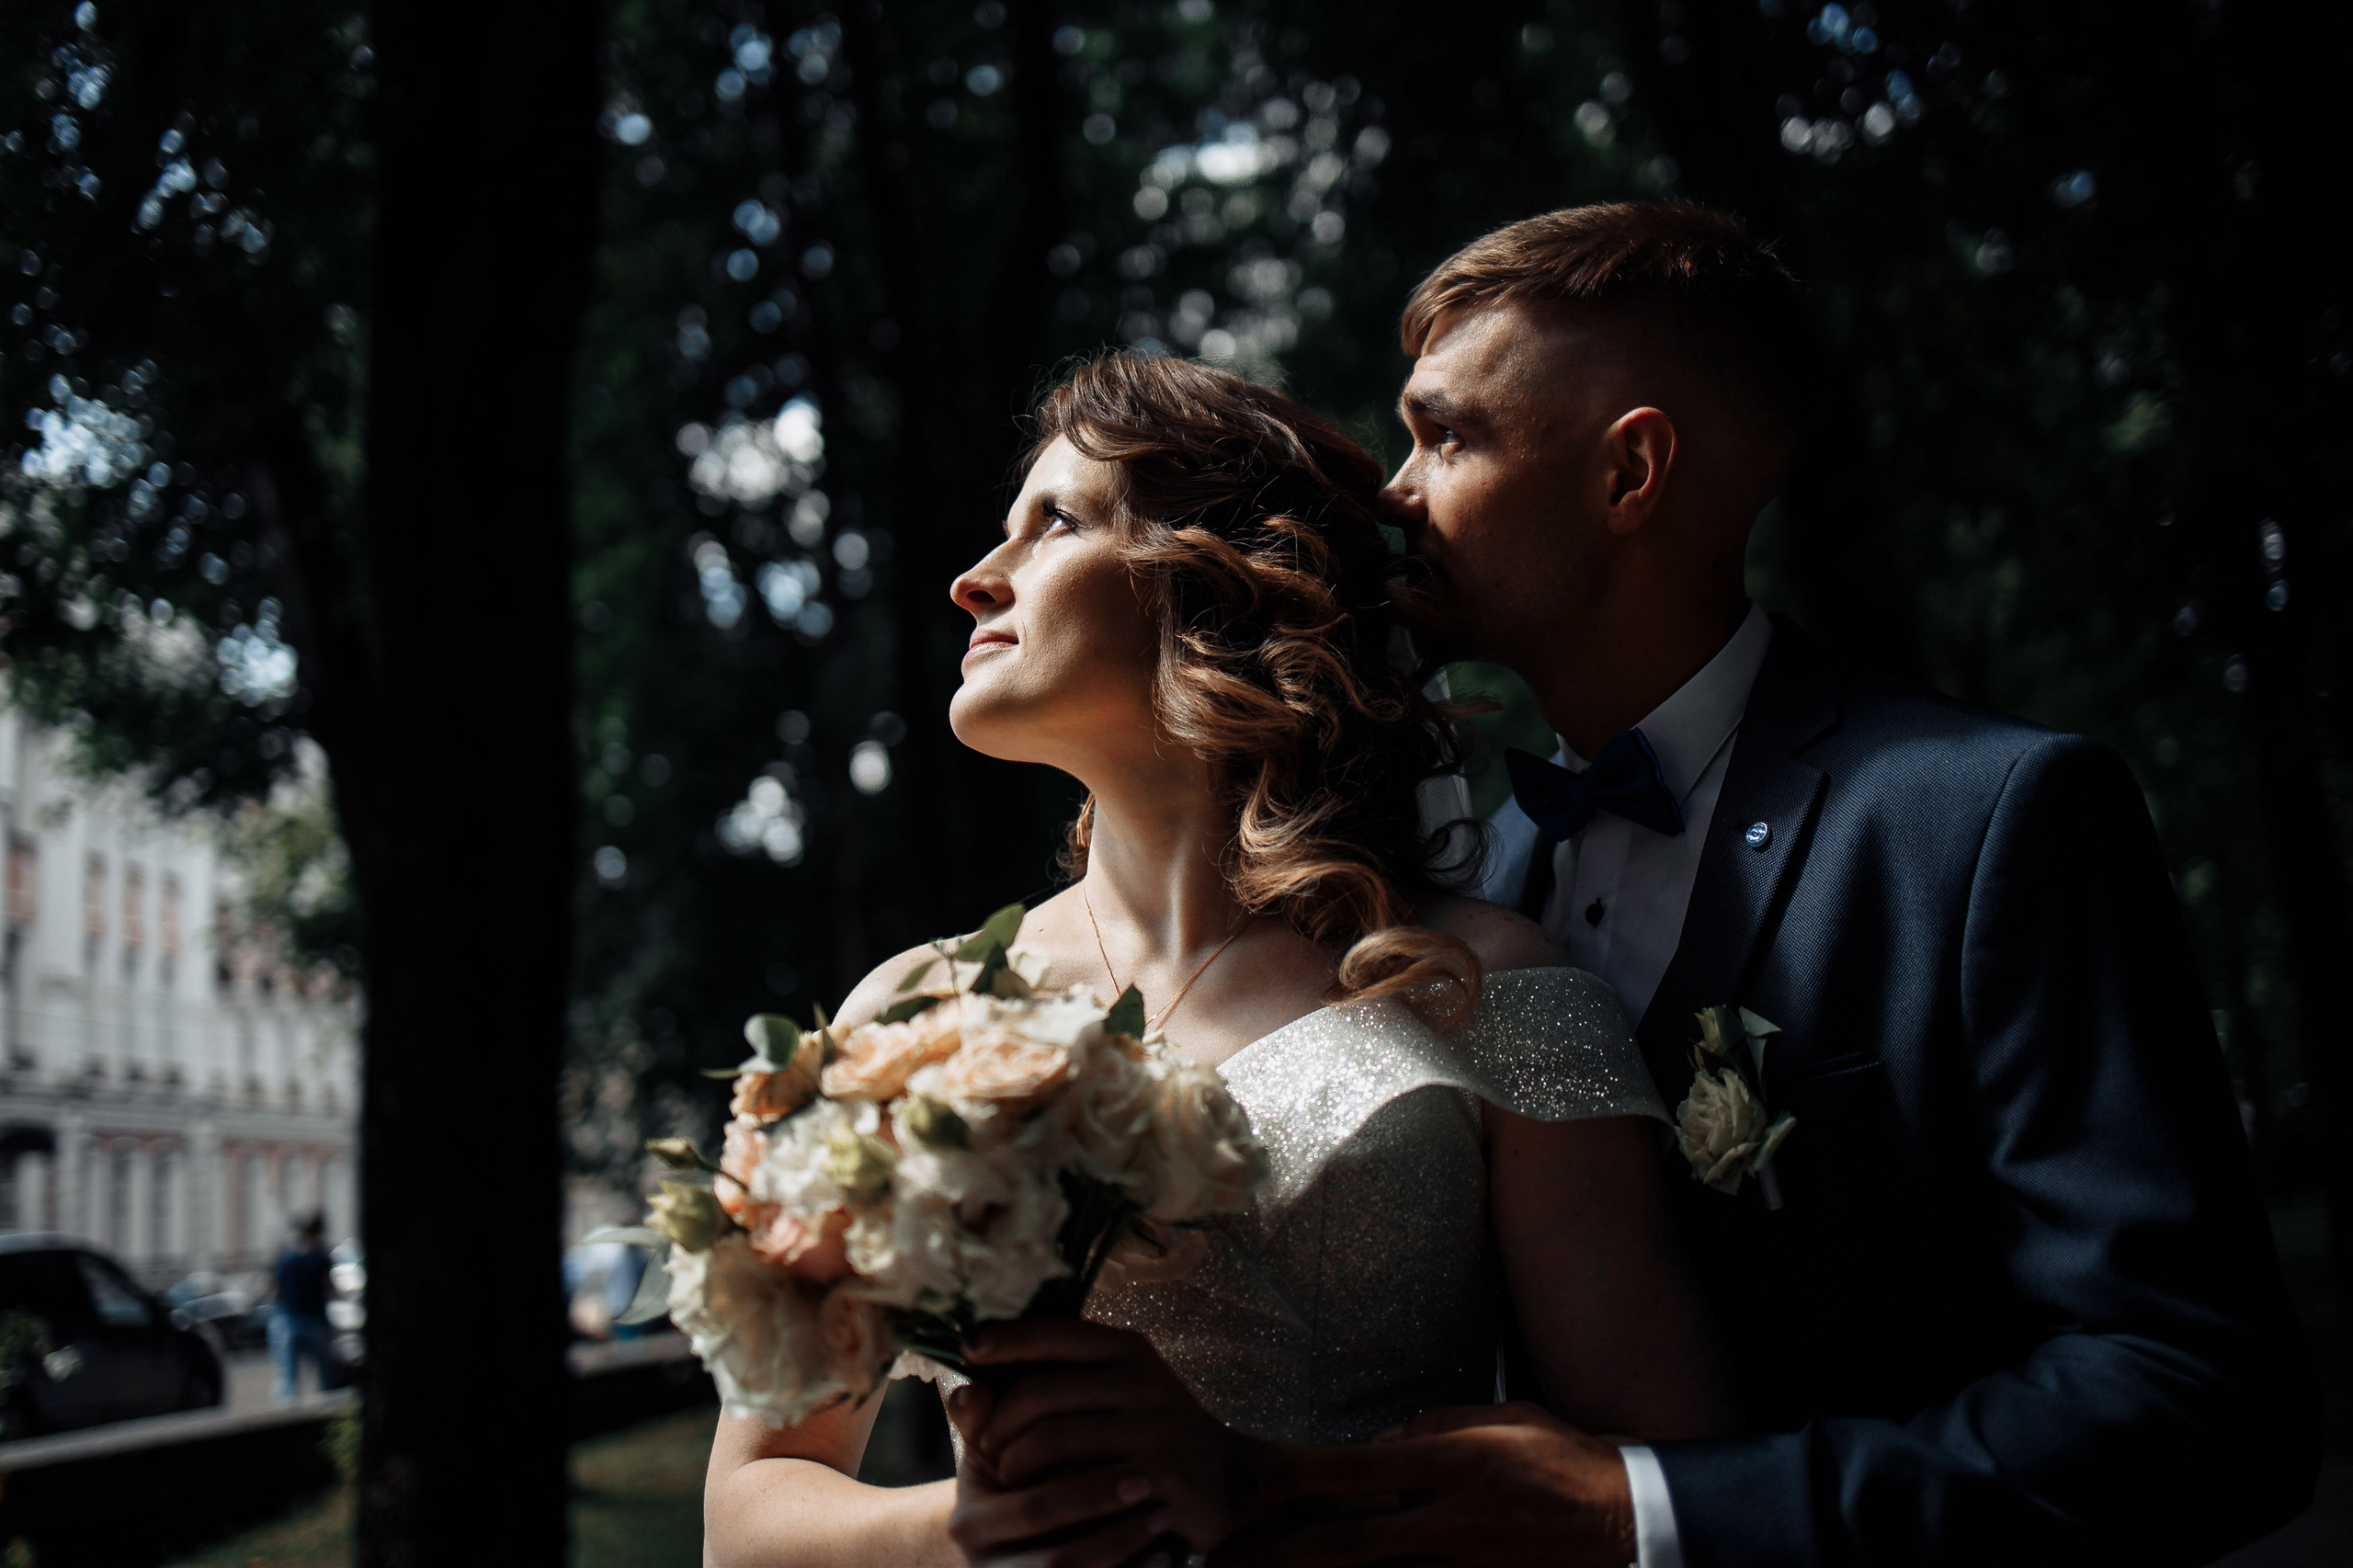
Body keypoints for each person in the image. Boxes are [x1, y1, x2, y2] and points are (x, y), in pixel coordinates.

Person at [1217, 202, 2322, 1567]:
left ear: (1632, 475)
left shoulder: (1987, 822)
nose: (1395, 491)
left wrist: (1652, 1514)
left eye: (1447, 435)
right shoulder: (1471, 891)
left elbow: (2203, 1397)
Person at [700, 352, 1738, 1565]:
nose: (975, 581)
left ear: (1228, 579)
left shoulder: (1486, 985)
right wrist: (961, 1530)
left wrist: (1257, 1493)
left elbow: (1663, 1487)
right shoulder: (919, 1008)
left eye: (1054, 523)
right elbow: (749, 1507)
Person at [267, 1212, 335, 1403]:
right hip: (315, 1320)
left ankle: (286, 1417)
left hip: (288, 1319)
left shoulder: (286, 1255)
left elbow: (274, 1290)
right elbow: (329, 1287)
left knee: (288, 1379)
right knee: (325, 1378)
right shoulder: (320, 1256)